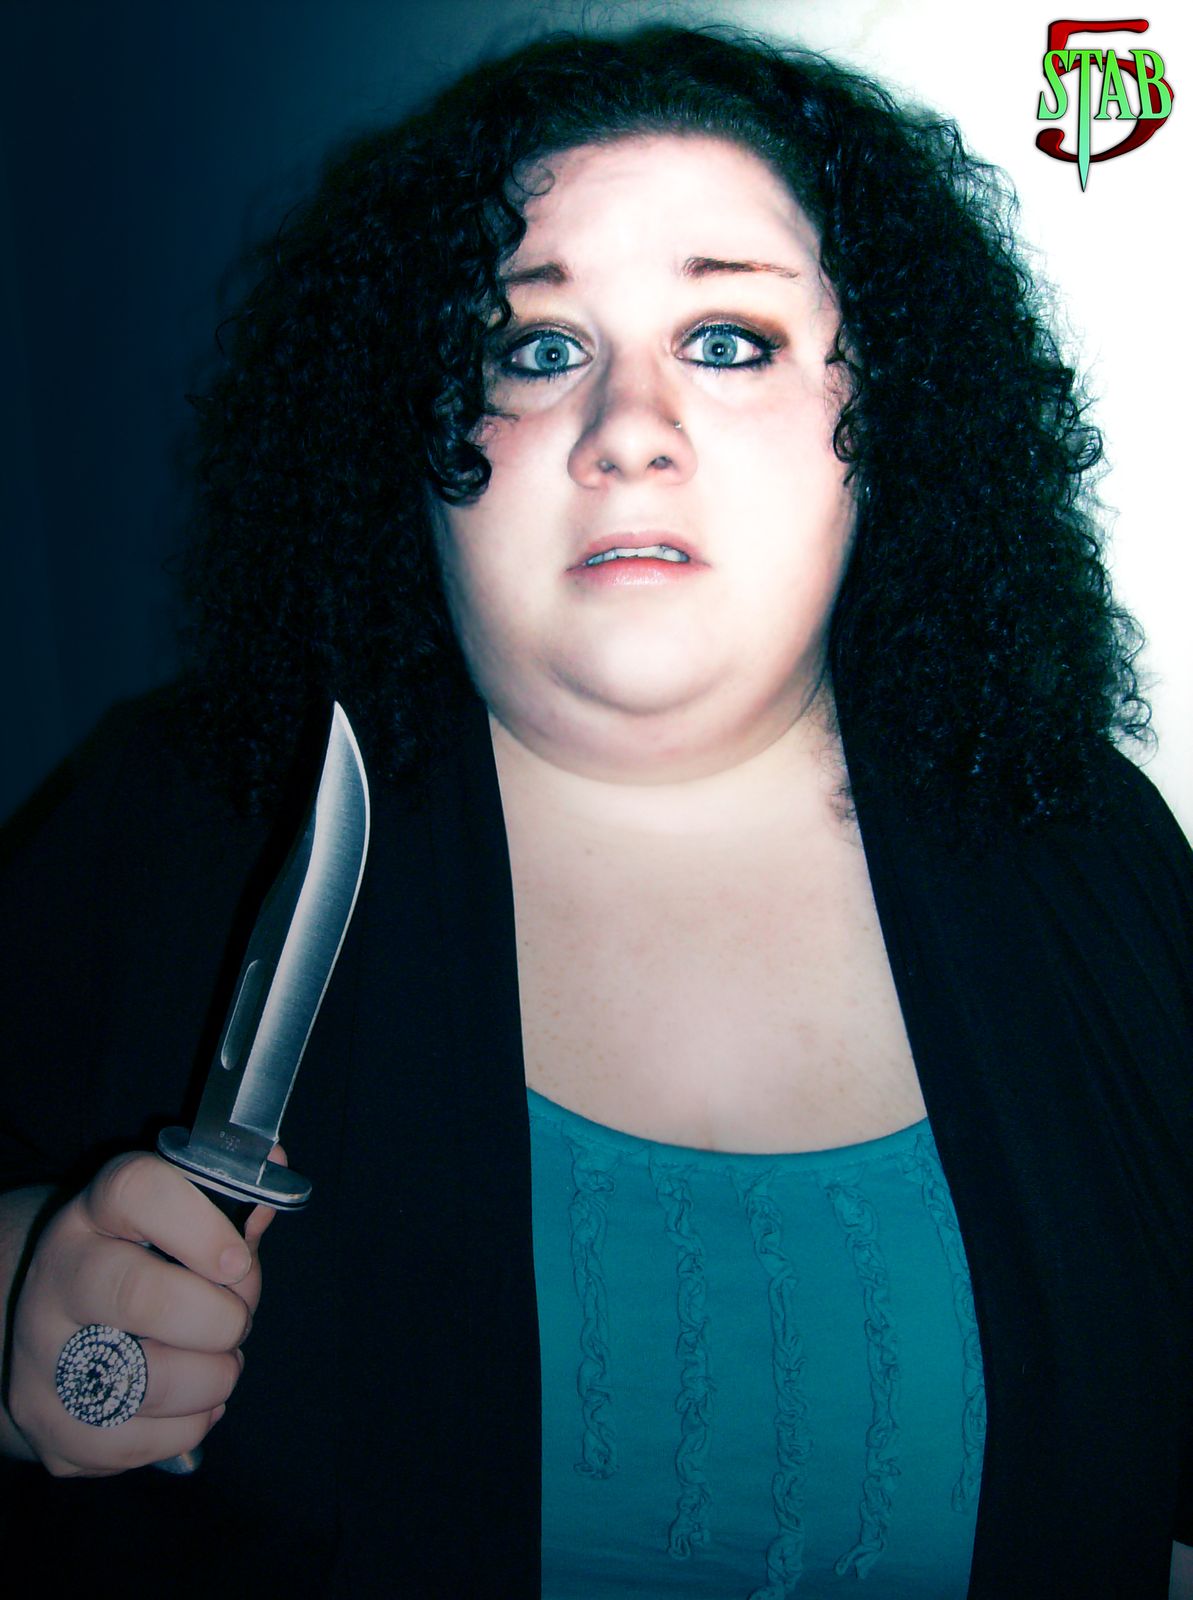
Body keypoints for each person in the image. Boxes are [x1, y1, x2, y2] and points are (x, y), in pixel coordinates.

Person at [1, 24, 1190, 1598]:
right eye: (539, 347)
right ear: (413, 435)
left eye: (727, 341)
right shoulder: (194, 819)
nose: (628, 425)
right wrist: (13, 1304)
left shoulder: (1080, 845)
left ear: (884, 421)